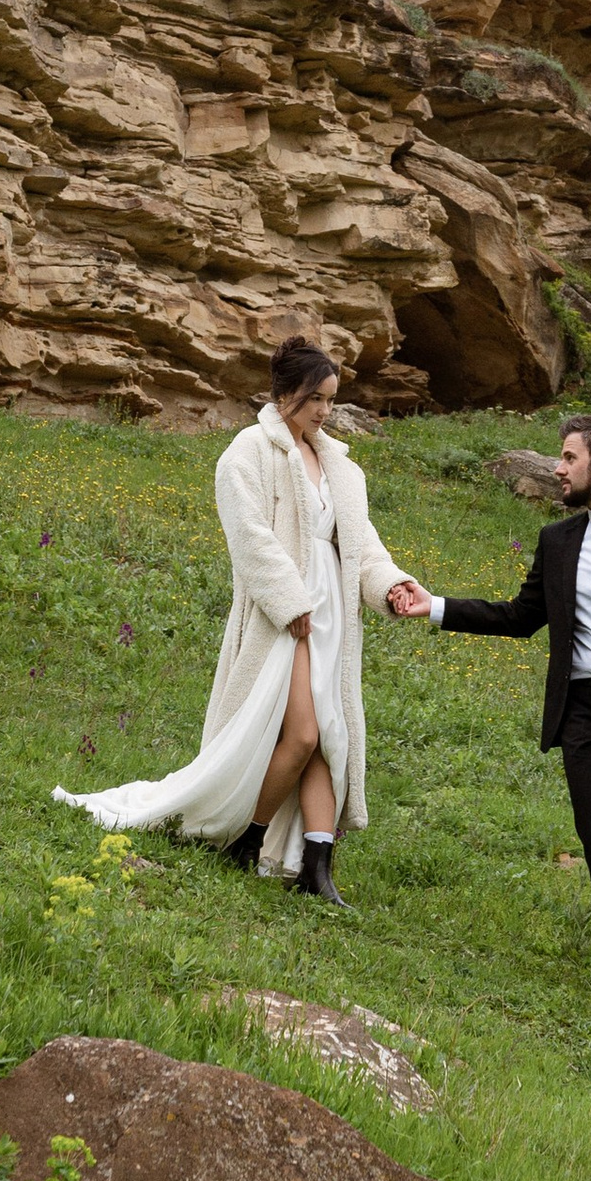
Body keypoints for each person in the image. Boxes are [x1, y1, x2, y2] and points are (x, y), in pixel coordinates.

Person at [53, 336, 419, 901]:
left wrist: (391, 584)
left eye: (330, 400)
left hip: (334, 615)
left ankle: (317, 870)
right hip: (289, 613)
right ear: (284, 393)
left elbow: (363, 544)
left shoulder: (343, 468)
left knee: (331, 735)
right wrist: (290, 602)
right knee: (303, 733)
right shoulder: (248, 452)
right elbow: (248, 538)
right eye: (315, 398)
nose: (324, 412)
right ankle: (246, 838)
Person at [388, 413, 591, 1010]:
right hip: (583, 712)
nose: (557, 469)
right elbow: (520, 617)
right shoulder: (557, 541)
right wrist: (434, 606)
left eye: (567, 457)